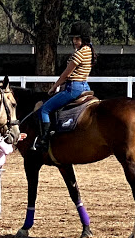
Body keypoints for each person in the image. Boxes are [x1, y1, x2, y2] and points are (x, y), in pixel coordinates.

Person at [33, 21, 97, 151]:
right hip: (85, 87)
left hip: (73, 88)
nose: (74, 41)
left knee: (44, 109)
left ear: (83, 38)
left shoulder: (79, 54)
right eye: (73, 38)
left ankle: (44, 140)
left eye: (77, 38)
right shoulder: (89, 50)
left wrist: (53, 87)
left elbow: (66, 75)